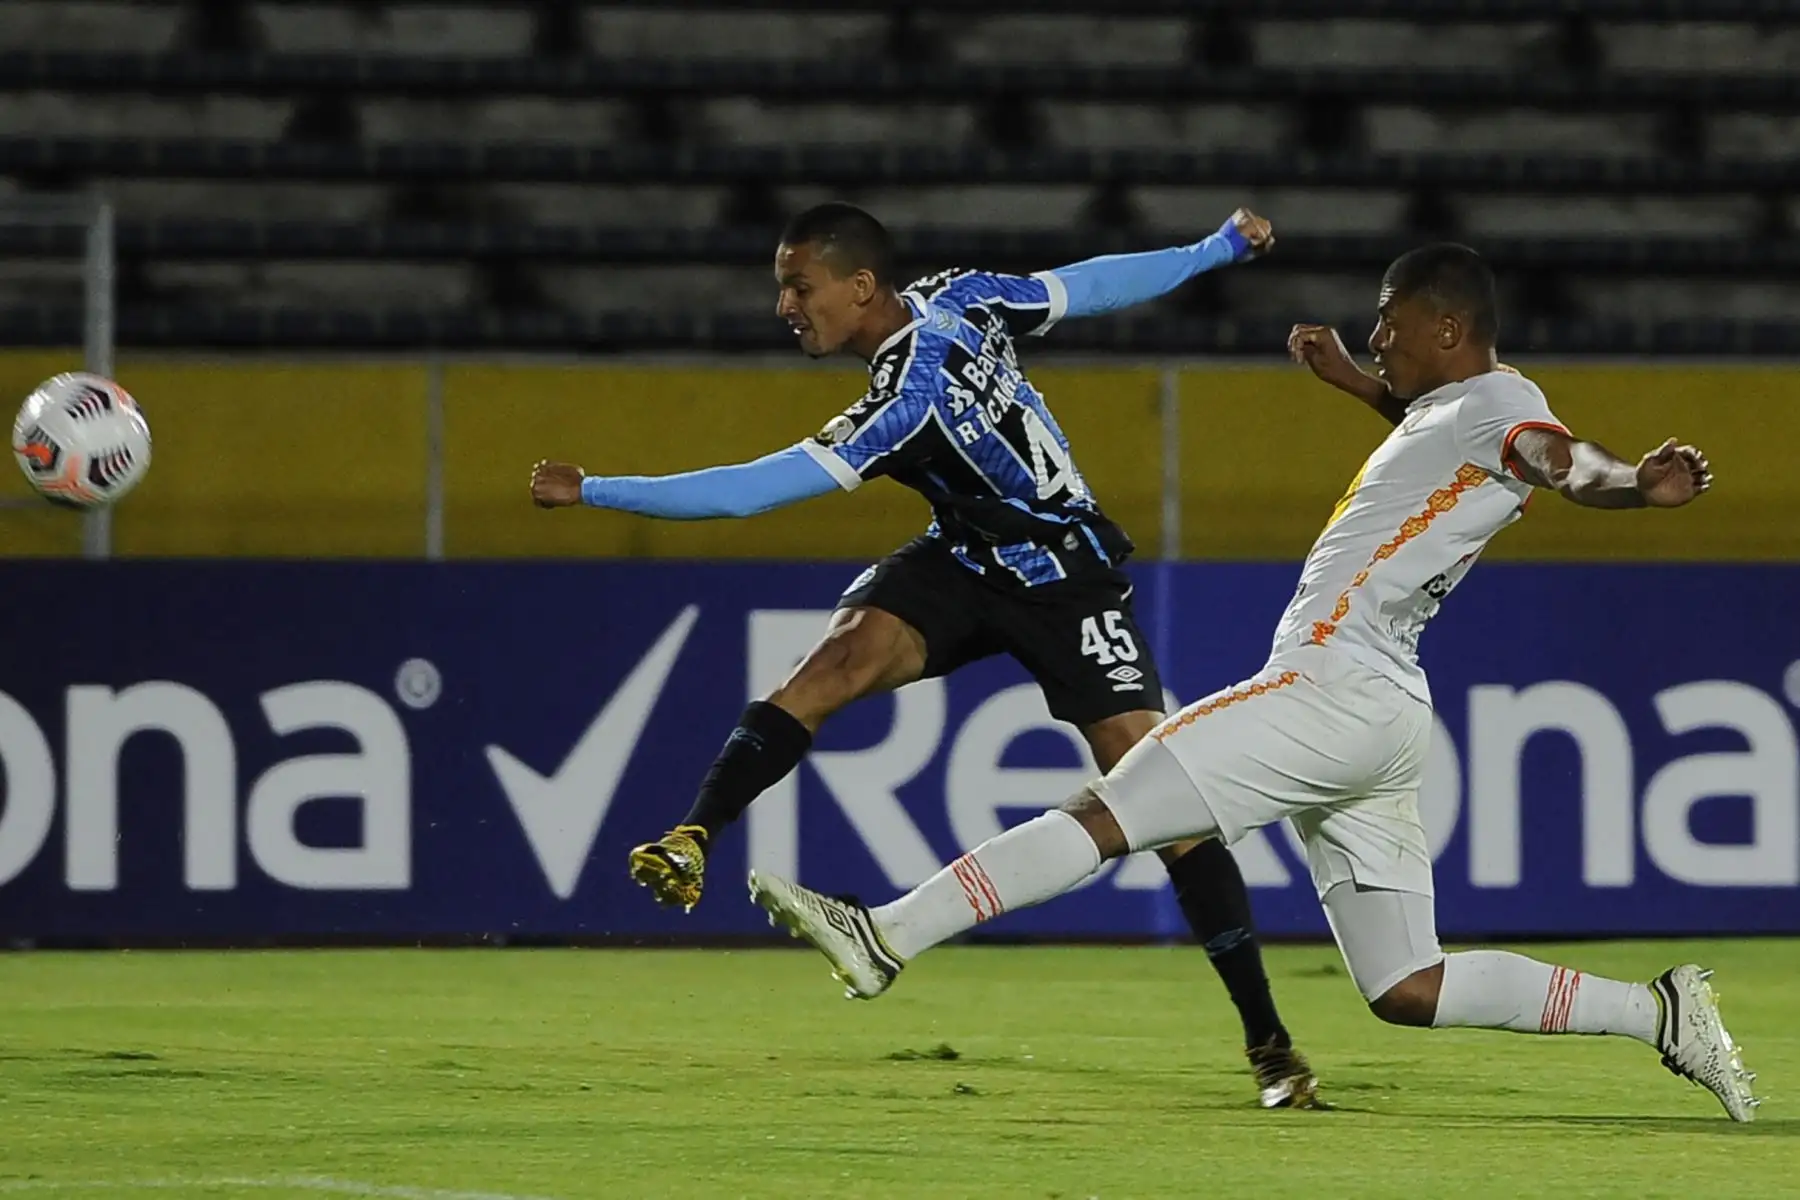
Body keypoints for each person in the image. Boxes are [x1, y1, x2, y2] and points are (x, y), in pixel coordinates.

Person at [747, 243, 1759, 1123]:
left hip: (1331, 685)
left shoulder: (1500, 405)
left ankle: (886, 936)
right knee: (1408, 983)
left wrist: (1634, 484)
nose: (1377, 337)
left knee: (1110, 810)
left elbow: (1555, 456)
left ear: (1449, 326)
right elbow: (1445, 427)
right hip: (1385, 710)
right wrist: (1357, 386)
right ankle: (1660, 1012)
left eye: (1390, 323)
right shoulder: (1452, 412)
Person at [530, 202, 1324, 1107]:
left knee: (1166, 804)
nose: (785, 306)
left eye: (800, 287)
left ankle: (1271, 1048)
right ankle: (694, 834)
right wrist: (1213, 248)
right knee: (829, 668)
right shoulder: (966, 296)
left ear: (859, 286)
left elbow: (754, 493)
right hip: (965, 554)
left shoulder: (903, 402)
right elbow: (1094, 284)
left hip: (1066, 578)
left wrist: (598, 489)